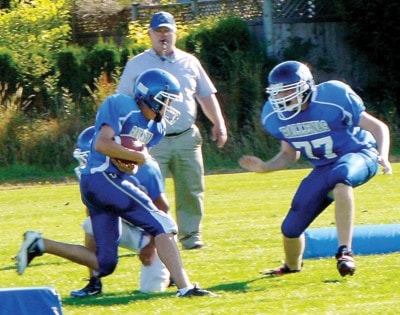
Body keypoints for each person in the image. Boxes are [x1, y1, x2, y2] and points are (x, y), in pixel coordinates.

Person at [17, 68, 215, 297]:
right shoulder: (121, 105)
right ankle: (185, 288)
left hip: (106, 184)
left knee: (105, 264)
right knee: (163, 224)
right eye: (165, 100)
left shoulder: (156, 128)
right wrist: (138, 158)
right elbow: (102, 144)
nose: (168, 107)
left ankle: (40, 244)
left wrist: (131, 163)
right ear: (149, 96)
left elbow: (132, 163)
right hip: (101, 177)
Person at [239, 60, 392, 277]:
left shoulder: (333, 97)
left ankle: (345, 252)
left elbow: (378, 127)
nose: (282, 98)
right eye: (278, 93)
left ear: (306, 88)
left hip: (359, 153)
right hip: (323, 167)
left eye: (289, 91)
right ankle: (292, 266)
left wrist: (382, 155)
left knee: (342, 178)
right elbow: (288, 154)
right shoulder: (276, 116)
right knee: (290, 227)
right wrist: (266, 167)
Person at [117, 11, 228, 250]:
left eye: (167, 31)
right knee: (148, 190)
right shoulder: (137, 64)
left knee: (191, 189)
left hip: (186, 136)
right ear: (150, 34)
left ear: (175, 33)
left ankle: (191, 237)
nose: (163, 36)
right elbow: (122, 100)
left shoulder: (190, 62)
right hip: (149, 139)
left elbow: (205, 95)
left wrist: (218, 123)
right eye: (158, 32)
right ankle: (152, 237)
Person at [70, 126, 171, 297]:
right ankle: (94, 282)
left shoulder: (145, 169)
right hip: (123, 223)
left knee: (151, 292)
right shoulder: (94, 175)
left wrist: (152, 245)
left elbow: (163, 210)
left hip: (152, 230)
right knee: (91, 224)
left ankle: (170, 272)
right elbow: (92, 212)